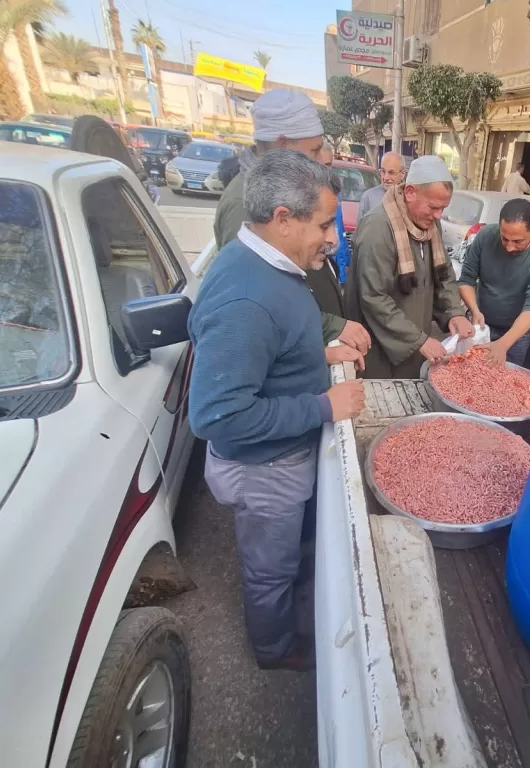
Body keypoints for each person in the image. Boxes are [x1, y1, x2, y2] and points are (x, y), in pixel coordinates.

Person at [188, 150, 367, 670]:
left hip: (281, 459)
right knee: (269, 570)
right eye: (324, 224)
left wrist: (318, 354)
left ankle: (292, 593)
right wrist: (323, 406)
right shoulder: (246, 301)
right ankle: (275, 649)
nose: (333, 238)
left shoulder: (267, 261)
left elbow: (275, 344)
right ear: (283, 219)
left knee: (288, 555)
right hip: (263, 470)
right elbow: (218, 417)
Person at [213, 89, 369, 354]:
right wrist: (328, 333)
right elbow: (258, 307)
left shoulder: (289, 187)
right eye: (314, 150)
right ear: (284, 145)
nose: (320, 160)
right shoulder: (244, 205)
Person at [346, 155, 475, 378]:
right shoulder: (378, 228)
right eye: (433, 207)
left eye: (443, 208)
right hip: (382, 347)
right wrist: (417, 340)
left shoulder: (430, 224)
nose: (438, 216)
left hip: (416, 339)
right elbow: (374, 297)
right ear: (410, 193)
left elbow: (443, 275)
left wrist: (454, 313)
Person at [457, 199, 530, 367]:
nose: (509, 247)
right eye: (504, 239)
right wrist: (475, 310)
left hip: (517, 334)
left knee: (505, 376)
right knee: (470, 371)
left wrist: (504, 344)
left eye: (518, 241)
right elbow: (466, 279)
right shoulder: (486, 236)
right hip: (481, 325)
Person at [319, 144, 353, 284]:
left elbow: (340, 232)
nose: (325, 170)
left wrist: (347, 265)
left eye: (328, 165)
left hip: (336, 267)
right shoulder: (305, 197)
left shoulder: (335, 194)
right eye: (321, 165)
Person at [359, 151, 406, 218]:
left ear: (402, 174)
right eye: (383, 171)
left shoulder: (409, 198)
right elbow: (362, 224)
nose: (386, 178)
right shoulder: (368, 197)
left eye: (391, 172)